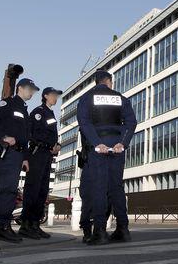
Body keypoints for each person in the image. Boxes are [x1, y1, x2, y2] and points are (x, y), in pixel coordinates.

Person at [77, 69, 137, 245]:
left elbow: (85, 123)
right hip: (117, 147)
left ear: (96, 82)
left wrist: (97, 143)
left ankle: (100, 232)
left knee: (99, 188)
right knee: (117, 188)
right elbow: (131, 122)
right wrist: (122, 143)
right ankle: (123, 229)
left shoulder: (87, 98)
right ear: (109, 82)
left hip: (98, 149)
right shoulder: (120, 98)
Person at [0, 78, 39, 243]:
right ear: (20, 88)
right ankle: (2, 226)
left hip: (17, 154)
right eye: (29, 89)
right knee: (7, 190)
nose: (32, 92)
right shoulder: (8, 103)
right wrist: (3, 136)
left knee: (9, 190)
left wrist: (25, 158)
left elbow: (24, 139)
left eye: (33, 90)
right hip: (6, 151)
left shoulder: (24, 110)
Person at [19, 87, 62, 239]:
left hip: (47, 155)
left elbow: (51, 135)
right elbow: (32, 132)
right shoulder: (39, 112)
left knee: (42, 191)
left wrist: (57, 146)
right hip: (37, 153)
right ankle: (25, 225)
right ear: (45, 96)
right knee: (33, 190)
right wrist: (49, 144)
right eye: (53, 95)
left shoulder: (50, 113)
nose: (55, 97)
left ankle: (35, 224)